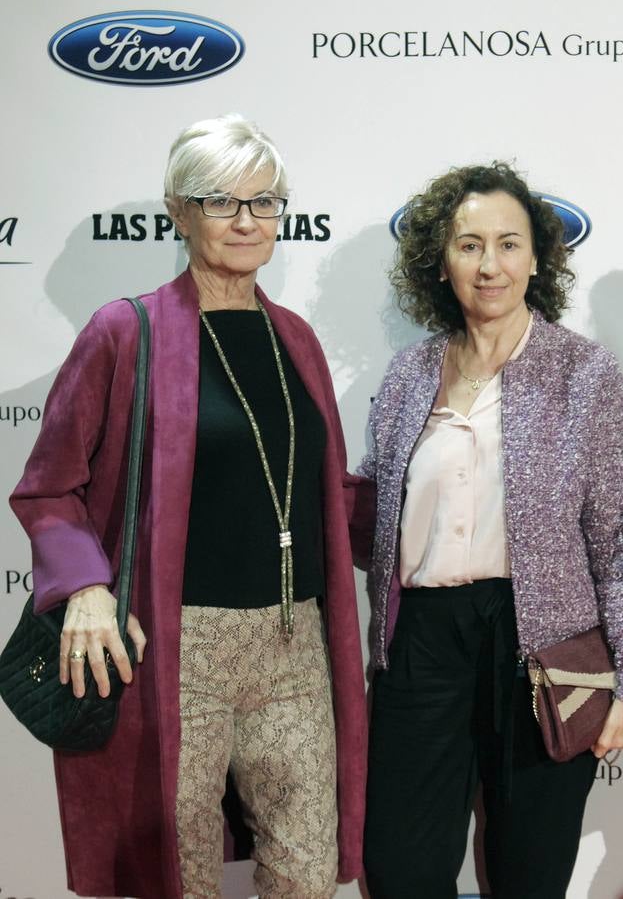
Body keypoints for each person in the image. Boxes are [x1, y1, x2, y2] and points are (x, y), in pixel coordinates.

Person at [9, 114, 367, 898]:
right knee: (183, 875)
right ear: (179, 211)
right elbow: (48, 485)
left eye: (265, 202)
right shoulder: (124, 332)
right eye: (221, 201)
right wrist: (86, 589)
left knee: (307, 873)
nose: (247, 221)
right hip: (178, 646)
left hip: (293, 640)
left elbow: (325, 491)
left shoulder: (295, 338)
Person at [351, 161, 623, 898]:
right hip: (422, 639)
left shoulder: (584, 372)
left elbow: (618, 535)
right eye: (468, 245)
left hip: (544, 645)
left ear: (536, 258)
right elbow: (373, 517)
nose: (489, 265)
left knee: (529, 871)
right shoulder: (406, 375)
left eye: (508, 243)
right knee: (400, 867)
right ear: (441, 259)